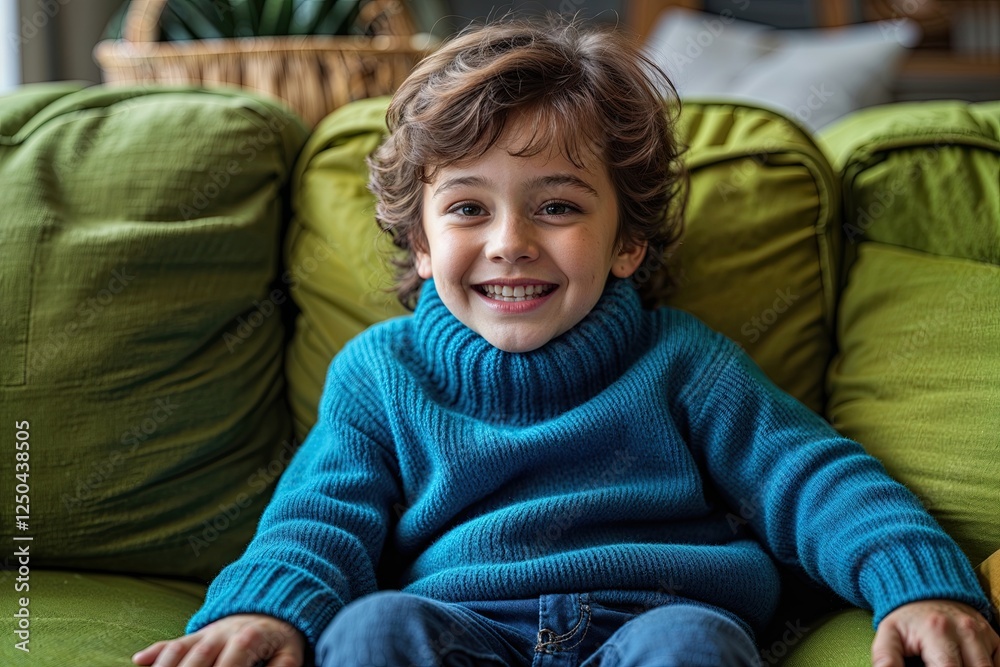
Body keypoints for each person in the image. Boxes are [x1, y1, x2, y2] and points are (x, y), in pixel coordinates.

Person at [132, 15, 998, 667]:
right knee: (371, 630)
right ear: (424, 245)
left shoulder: (682, 361)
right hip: (461, 624)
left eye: (557, 205)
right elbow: (319, 519)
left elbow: (812, 477)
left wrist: (918, 581)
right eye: (470, 207)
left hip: (654, 618)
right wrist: (264, 611)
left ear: (627, 245)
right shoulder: (380, 372)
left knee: (692, 644)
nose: (510, 239)